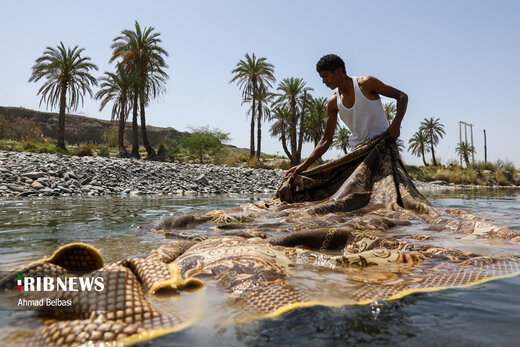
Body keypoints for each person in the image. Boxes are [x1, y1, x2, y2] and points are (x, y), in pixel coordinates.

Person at [285, 54, 408, 178]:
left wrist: (396, 125)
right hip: (358, 154)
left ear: (338, 71)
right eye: (321, 78)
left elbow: (402, 96)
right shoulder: (333, 102)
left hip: (383, 147)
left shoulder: (365, 84)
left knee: (389, 191)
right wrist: (303, 166)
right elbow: (326, 140)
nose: (323, 81)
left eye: (325, 76)